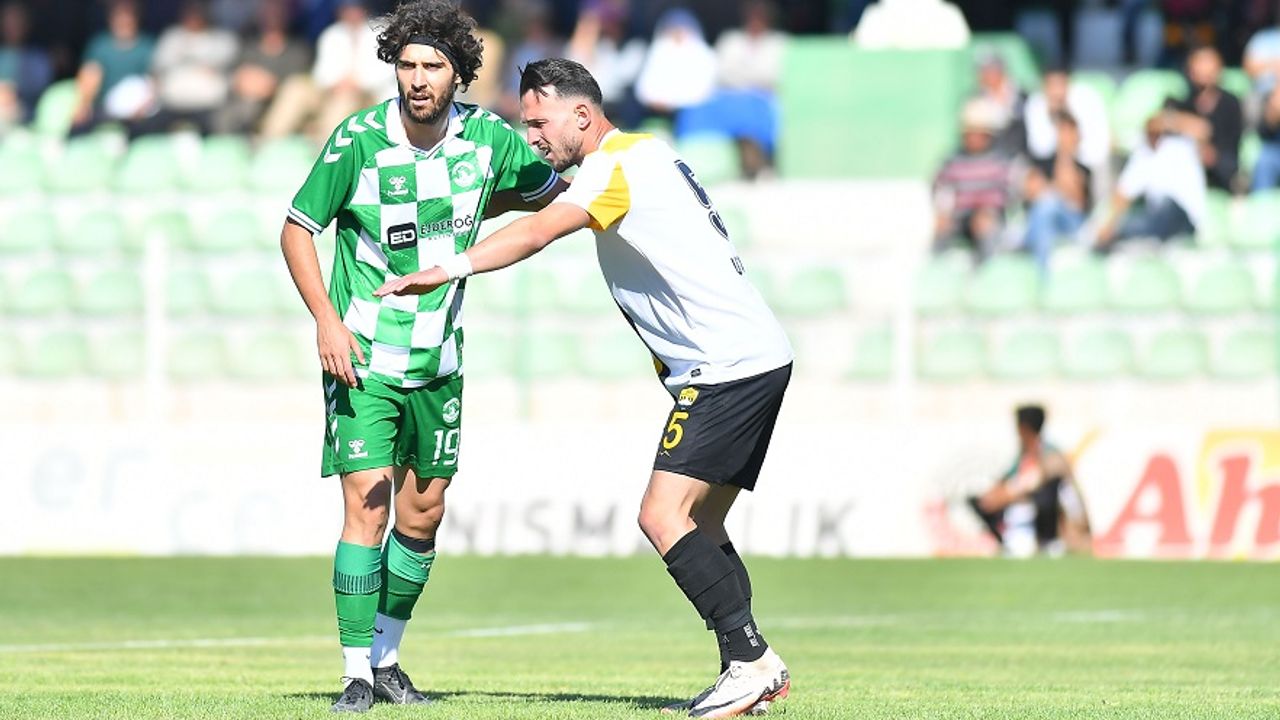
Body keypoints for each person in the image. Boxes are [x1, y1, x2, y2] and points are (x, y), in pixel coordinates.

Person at [374, 57, 793, 720]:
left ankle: (752, 662)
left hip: (726, 366)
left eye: (540, 121)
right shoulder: (644, 154)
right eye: (526, 122)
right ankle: (744, 671)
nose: (532, 135)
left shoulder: (611, 167)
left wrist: (448, 267)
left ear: (581, 113)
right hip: (755, 356)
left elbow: (541, 228)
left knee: (662, 517)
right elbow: (544, 200)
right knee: (702, 522)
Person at [278, 1, 564, 712]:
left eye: (433, 65)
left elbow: (550, 197)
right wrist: (326, 323)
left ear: (458, 73)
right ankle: (354, 674)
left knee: (422, 513)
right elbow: (296, 229)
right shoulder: (359, 140)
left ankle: (387, 657)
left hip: (438, 360)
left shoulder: (490, 140)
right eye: (407, 65)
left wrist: (482, 212)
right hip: (363, 356)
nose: (417, 78)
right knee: (367, 504)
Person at [967, 405, 1091, 557]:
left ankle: (1049, 541)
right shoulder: (1023, 453)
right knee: (979, 501)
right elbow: (1007, 478)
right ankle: (1005, 542)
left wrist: (1002, 497)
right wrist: (991, 495)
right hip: (1022, 507)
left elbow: (1030, 483)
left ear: (1024, 428)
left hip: (1058, 521)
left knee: (1045, 492)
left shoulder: (1051, 455)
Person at [1095, 114, 1206, 250]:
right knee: (1133, 221)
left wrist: (1168, 120)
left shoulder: (1181, 146)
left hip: (1185, 218)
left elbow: (1203, 130)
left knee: (1165, 207)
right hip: (1156, 218)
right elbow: (1123, 195)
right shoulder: (1142, 155)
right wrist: (1108, 226)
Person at [135, 0, 238, 136]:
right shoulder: (171, 37)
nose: (194, 15)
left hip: (209, 108)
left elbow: (232, 75)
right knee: (145, 129)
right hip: (172, 106)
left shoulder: (223, 40)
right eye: (190, 10)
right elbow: (155, 73)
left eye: (198, 11)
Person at [932, 98, 1015, 258]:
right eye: (969, 133)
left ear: (987, 134)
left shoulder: (1000, 162)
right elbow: (939, 188)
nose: (973, 138)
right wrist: (943, 212)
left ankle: (985, 267)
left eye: (978, 133)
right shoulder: (953, 161)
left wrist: (989, 209)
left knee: (984, 224)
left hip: (988, 219)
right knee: (942, 226)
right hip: (959, 218)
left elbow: (1011, 194)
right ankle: (936, 265)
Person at [216, 0, 312, 135]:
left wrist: (267, 85)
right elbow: (236, 74)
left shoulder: (298, 50)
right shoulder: (248, 47)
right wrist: (244, 80)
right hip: (244, 105)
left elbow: (296, 82)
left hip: (278, 108)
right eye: (269, 10)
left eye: (277, 11)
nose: (273, 15)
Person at [1164, 45, 1243, 192]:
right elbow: (1156, 124)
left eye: (1209, 63)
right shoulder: (1182, 101)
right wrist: (1185, 123)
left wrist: (1206, 150)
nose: (1204, 69)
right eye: (1200, 63)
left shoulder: (1230, 103)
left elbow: (1230, 149)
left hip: (1220, 169)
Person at [70, 0, 156, 134]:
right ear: (110, 18)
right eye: (119, 16)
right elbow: (90, 76)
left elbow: (154, 82)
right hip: (105, 111)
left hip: (139, 113)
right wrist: (83, 105)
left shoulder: (147, 47)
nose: (123, 20)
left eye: (128, 16)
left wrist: (142, 106)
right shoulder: (99, 46)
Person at [1020, 112, 1092, 273]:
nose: (1065, 137)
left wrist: (1065, 158)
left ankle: (1041, 272)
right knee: (1045, 208)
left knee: (1048, 203)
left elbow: (1075, 203)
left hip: (1072, 224)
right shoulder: (1042, 163)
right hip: (1042, 220)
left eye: (1069, 132)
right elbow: (1031, 193)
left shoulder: (1084, 169)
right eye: (1062, 132)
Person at [0, 1, 53, 128]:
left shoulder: (38, 59)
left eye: (18, 19)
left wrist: (14, 94)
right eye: (9, 19)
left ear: (27, 23)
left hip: (29, 123)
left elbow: (41, 93)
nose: (14, 24)